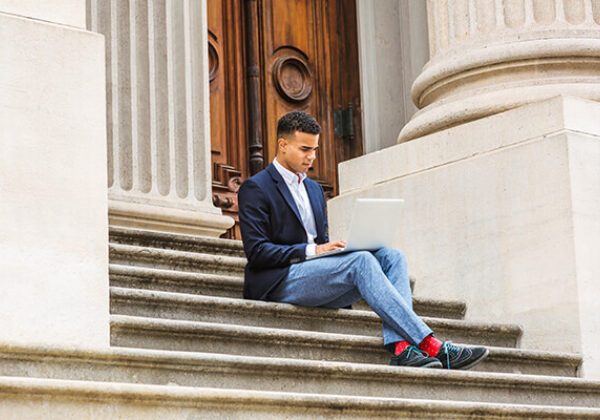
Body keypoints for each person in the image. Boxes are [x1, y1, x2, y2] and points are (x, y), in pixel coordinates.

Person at [237, 111, 489, 369]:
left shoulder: (314, 189)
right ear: (282, 145)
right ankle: (431, 345)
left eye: (315, 149)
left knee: (392, 257)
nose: (312, 157)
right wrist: (314, 250)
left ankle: (402, 349)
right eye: (304, 149)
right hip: (279, 281)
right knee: (360, 261)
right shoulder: (256, 188)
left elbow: (321, 244)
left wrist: (333, 250)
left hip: (315, 278)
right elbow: (258, 252)